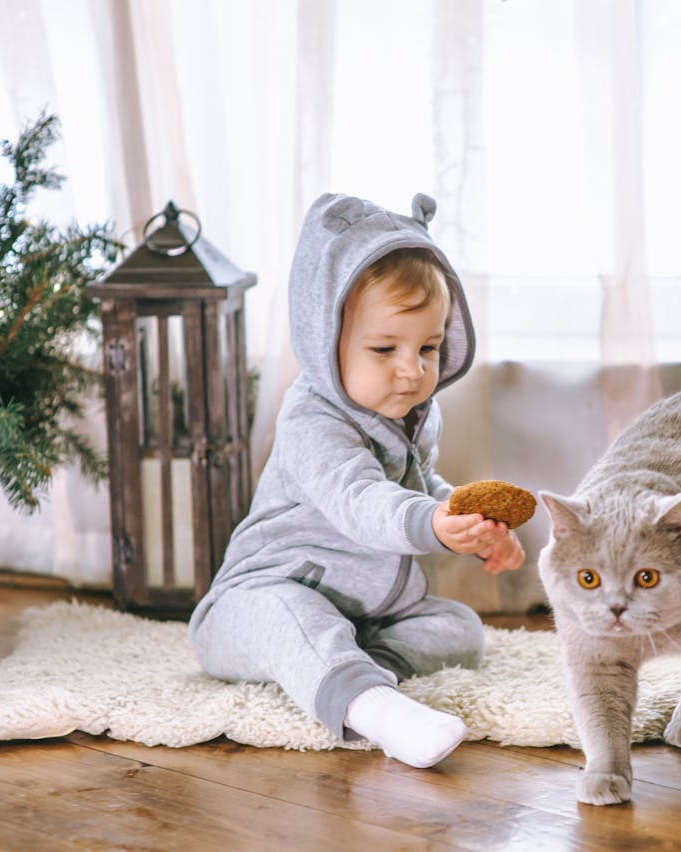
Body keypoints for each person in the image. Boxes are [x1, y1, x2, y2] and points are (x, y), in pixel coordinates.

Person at [189, 192, 524, 769]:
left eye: (429, 347)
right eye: (384, 348)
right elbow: (361, 500)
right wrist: (432, 525)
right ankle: (374, 707)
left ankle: (336, 665)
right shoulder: (311, 419)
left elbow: (418, 487)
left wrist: (468, 522)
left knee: (459, 629)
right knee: (290, 615)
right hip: (257, 601)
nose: (412, 370)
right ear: (327, 342)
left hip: (365, 613)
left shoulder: (413, 412)